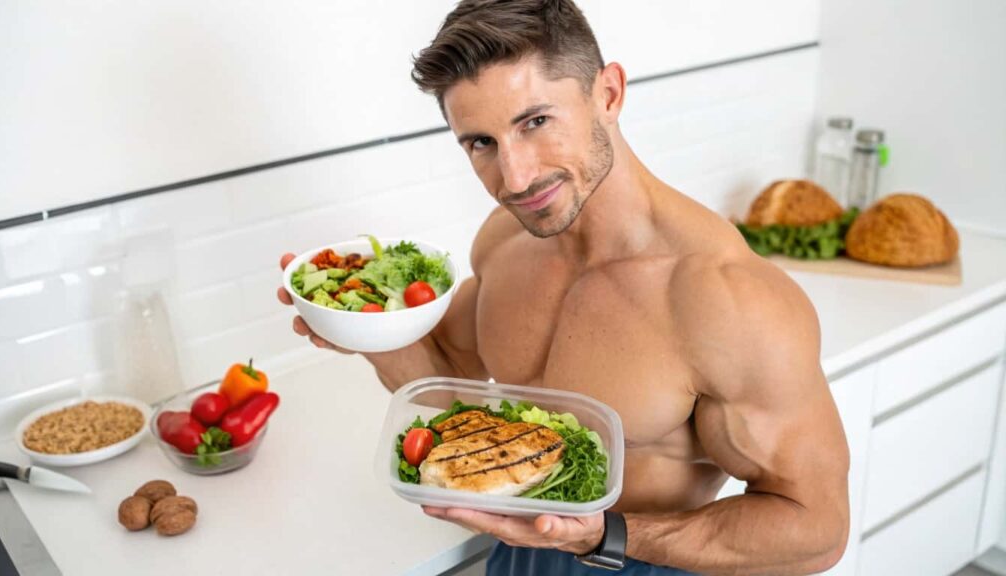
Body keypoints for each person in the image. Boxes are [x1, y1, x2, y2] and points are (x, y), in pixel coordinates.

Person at [277, 1, 849, 573]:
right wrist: (373, 328)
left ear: (608, 94)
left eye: (535, 122)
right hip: (518, 554)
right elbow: (450, 390)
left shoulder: (721, 296)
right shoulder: (504, 241)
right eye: (480, 142)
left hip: (644, 558)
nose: (515, 177)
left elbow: (816, 529)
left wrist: (601, 536)